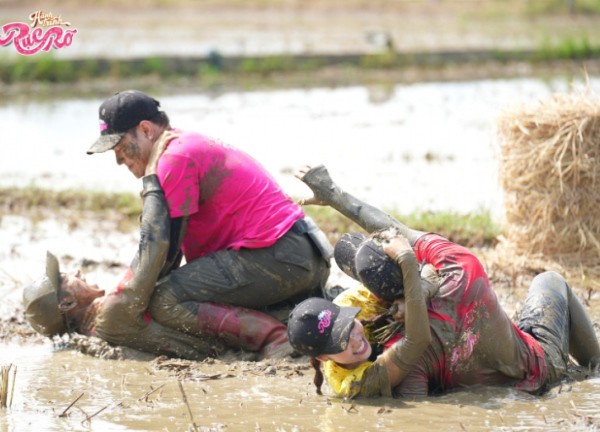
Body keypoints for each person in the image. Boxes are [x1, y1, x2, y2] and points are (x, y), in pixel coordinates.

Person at [287, 164, 600, 398]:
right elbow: (391, 225)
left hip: (533, 375)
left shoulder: (404, 347)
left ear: (374, 296)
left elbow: (419, 410)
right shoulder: (456, 263)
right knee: (549, 279)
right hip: (535, 360)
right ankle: (596, 366)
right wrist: (335, 196)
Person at [83, 90, 331, 352]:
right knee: (175, 291)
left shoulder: (173, 159)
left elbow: (161, 251)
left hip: (280, 256)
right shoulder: (185, 144)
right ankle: (281, 319)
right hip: (304, 255)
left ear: (146, 130)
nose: (119, 159)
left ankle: (275, 341)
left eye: (121, 147)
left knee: (164, 299)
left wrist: (124, 302)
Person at [22, 132, 304, 360]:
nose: (78, 273)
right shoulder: (109, 316)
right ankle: (274, 338)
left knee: (175, 287)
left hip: (212, 331)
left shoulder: (105, 324)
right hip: (215, 346)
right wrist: (152, 177)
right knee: (165, 294)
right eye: (66, 278)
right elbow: (151, 253)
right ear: (67, 303)